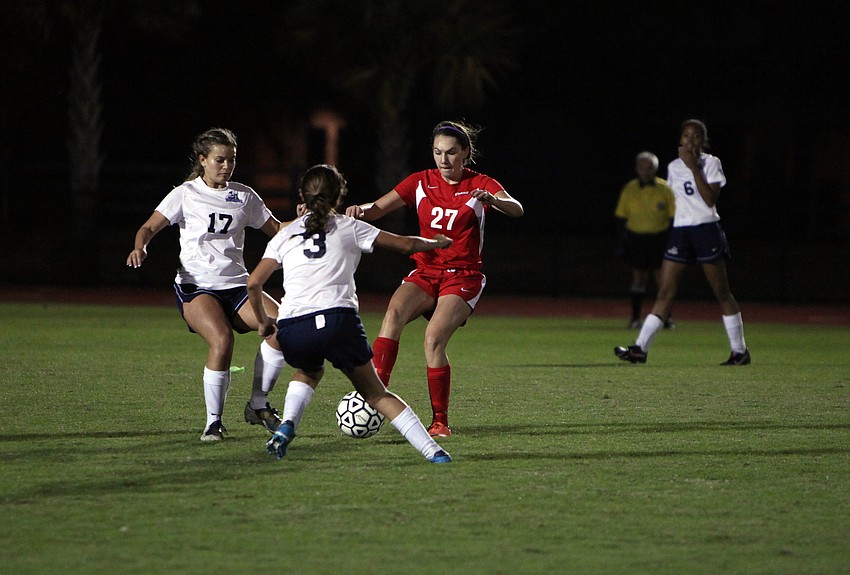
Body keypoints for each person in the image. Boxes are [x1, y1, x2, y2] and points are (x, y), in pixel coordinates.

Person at [247, 164, 453, 464]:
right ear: (338, 196)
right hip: (337, 320)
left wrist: (265, 322)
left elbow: (254, 283)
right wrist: (437, 242)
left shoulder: (285, 233)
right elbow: (406, 244)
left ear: (302, 196)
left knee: (308, 371)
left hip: (293, 327)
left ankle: (287, 425)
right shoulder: (349, 226)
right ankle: (434, 452)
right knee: (377, 395)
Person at [345, 120, 524, 437]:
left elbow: (517, 209)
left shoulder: (480, 183)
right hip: (425, 270)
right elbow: (377, 208)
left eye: (451, 153)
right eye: (438, 152)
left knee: (433, 339)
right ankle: (376, 396)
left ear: (465, 153)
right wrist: (359, 208)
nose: (444, 160)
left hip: (463, 275)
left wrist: (494, 200)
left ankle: (440, 421)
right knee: (393, 314)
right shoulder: (420, 181)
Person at [127, 127, 289, 442]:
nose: (226, 166)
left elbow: (278, 229)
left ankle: (257, 405)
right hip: (197, 286)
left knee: (283, 326)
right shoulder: (185, 194)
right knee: (222, 339)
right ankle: (213, 422)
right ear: (203, 160)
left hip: (238, 286)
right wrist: (140, 246)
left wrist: (313, 218)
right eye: (219, 159)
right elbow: (148, 227)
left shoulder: (244, 195)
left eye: (231, 160)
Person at [615, 119, 750, 365]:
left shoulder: (711, 163)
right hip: (681, 232)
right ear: (680, 139)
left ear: (703, 140)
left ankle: (740, 351)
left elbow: (709, 200)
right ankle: (640, 349)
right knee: (665, 291)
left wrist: (694, 167)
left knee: (721, 291)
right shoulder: (673, 166)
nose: (690, 140)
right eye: (686, 135)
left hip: (706, 229)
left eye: (696, 136)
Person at [614, 151, 676, 329]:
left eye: (650, 168)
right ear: (637, 169)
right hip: (637, 238)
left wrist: (672, 241)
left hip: (659, 238)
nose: (646, 171)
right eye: (642, 167)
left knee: (662, 281)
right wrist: (621, 242)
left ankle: (665, 318)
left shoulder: (665, 189)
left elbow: (673, 218)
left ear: (655, 169)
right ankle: (635, 318)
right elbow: (621, 217)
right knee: (638, 278)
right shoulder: (630, 188)